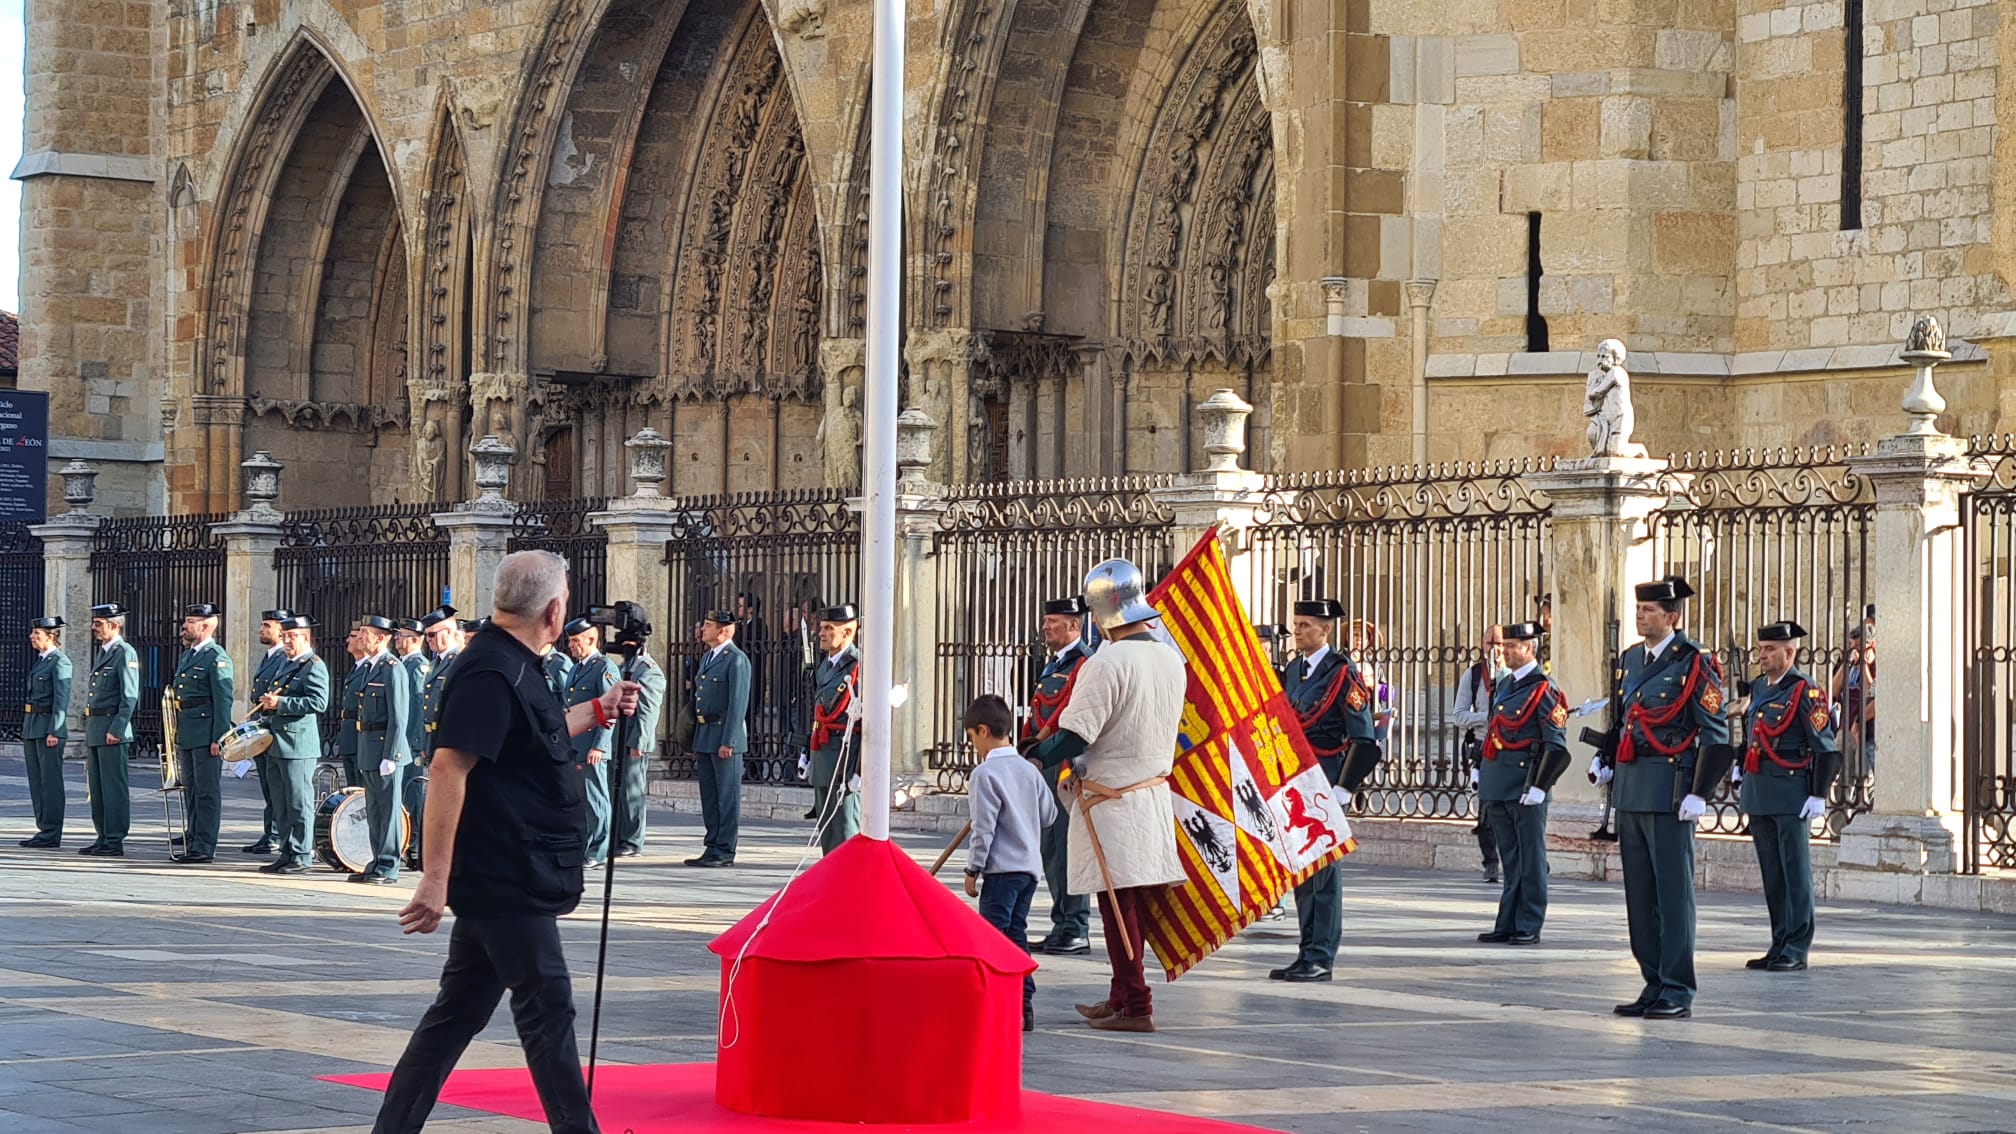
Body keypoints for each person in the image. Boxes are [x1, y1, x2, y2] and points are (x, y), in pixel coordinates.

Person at [372, 550, 639, 1134]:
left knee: (457, 1013)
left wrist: (597, 709)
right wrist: (435, 876)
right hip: (504, 872)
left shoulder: (518, 661)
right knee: (548, 1007)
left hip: (514, 866)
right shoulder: (490, 669)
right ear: (554, 610)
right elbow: (448, 769)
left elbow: (531, 735)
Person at [1029, 559, 1188, 1033]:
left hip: (1113, 798)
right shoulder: (1168, 657)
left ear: (1098, 615)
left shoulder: (1108, 661)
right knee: (1129, 902)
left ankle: (1136, 1002)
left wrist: (1036, 754)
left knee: (1119, 906)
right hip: (1149, 794)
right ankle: (1121, 994)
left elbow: (1077, 735)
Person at [1589, 575, 1732, 1020]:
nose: (1640, 614)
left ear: (1672, 617)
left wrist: (1701, 794)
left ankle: (1677, 987)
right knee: (1640, 896)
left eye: (1649, 610)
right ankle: (1652, 981)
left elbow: (1718, 736)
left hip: (1671, 791)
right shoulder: (1631, 660)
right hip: (1631, 789)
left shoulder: (1693, 663)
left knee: (1672, 896)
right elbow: (1625, 719)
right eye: (1639, 608)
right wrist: (1607, 758)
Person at [1269, 598, 1375, 982]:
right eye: (1295, 624)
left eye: (1305, 625)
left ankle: (1321, 954)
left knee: (1324, 874)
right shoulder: (1295, 670)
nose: (1296, 631)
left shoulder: (1341, 674)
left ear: (1325, 630)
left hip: (1326, 781)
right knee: (1302, 871)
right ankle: (1306, 950)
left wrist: (1344, 787)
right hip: (1297, 780)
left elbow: (1364, 739)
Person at [1739, 621, 1840, 973]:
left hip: (1790, 791)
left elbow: (1826, 749)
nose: (1762, 655)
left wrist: (1818, 794)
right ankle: (1779, 941)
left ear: (1790, 653)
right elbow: (1752, 734)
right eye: (1761, 648)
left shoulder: (1805, 691)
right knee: (1772, 873)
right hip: (1759, 791)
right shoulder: (1758, 687)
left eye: (1769, 649)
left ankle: (1796, 947)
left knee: (1795, 872)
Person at [964, 693, 1056, 1034]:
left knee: (992, 937)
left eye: (973, 737)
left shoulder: (985, 774)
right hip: (1029, 869)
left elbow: (983, 829)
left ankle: (995, 1001)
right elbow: (1048, 815)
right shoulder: (1027, 771)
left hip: (1001, 870)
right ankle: (1024, 1002)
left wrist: (973, 868)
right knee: (1016, 933)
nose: (974, 744)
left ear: (983, 731)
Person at [1474, 621, 1570, 946]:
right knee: (1510, 856)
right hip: (1499, 782)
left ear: (1529, 648)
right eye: (1503, 646)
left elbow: (1556, 744)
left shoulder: (1544, 689)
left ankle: (1529, 922)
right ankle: (1508, 921)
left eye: (1511, 646)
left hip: (1525, 783)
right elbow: (1494, 732)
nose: (1503, 652)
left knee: (1530, 855)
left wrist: (1540, 786)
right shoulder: (1505, 686)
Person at [1023, 596, 1093, 956]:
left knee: (1067, 848)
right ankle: (1061, 922)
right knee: (1051, 847)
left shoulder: (1085, 664)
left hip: (1066, 766)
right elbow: (1039, 715)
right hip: (1045, 766)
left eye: (1053, 621)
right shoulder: (1055, 666)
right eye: (1046, 620)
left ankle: (1076, 926)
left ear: (1074, 626)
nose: (1046, 626)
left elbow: (1072, 720)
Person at [257, 615, 329, 875]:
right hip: (277, 742)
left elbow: (319, 702)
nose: (287, 640)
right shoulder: (285, 664)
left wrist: (282, 704)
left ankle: (301, 854)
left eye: (292, 636)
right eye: (285, 636)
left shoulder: (313, 665)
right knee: (281, 802)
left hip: (298, 744)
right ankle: (286, 851)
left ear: (306, 637)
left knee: (298, 802)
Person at [168, 603, 235, 864]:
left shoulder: (216, 658)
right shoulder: (188, 656)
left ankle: (205, 845)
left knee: (206, 791)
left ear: (205, 626)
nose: (184, 627)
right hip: (188, 730)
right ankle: (193, 835)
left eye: (189, 622)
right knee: (191, 789)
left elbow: (223, 701)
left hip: (206, 732)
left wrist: (219, 738)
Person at [351, 615, 415, 884]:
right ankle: (377, 859)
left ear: (381, 637)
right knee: (374, 809)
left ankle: (389, 865)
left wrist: (392, 755)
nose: (361, 636)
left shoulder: (392, 668)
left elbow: (399, 717)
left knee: (388, 810)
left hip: (385, 749)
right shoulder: (370, 667)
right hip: (368, 746)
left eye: (366, 632)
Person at [687, 609, 751, 867]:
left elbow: (738, 703)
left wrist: (730, 741)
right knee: (710, 796)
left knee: (727, 796)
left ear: (724, 631)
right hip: (706, 734)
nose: (704, 628)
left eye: (709, 624)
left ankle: (725, 850)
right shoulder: (708, 658)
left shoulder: (736, 659)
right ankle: (711, 845)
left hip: (725, 736)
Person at [80, 603, 139, 857]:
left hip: (112, 730)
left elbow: (129, 696)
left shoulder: (124, 652)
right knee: (98, 787)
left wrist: (117, 728)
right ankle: (102, 835)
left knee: (113, 787)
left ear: (114, 625)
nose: (94, 627)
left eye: (99, 623)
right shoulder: (105, 652)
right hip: (97, 729)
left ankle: (114, 838)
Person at [1451, 625, 1506, 883]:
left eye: (1498, 643)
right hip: (1484, 746)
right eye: (1488, 643)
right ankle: (1491, 863)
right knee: (1486, 810)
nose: (1493, 649)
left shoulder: (1516, 674)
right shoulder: (1473, 675)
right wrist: (1486, 718)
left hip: (1513, 746)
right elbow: (1459, 714)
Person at [561, 616, 617, 867]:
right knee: (581, 800)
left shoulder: (603, 667)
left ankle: (598, 850)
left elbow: (610, 709)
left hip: (592, 745)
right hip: (575, 745)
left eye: (575, 640)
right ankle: (585, 846)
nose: (571, 645)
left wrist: (600, 745)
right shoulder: (576, 668)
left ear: (591, 639)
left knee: (596, 800)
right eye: (570, 641)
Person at [808, 604, 862, 852]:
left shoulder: (857, 667)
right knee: (826, 830)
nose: (821, 633)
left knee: (844, 830)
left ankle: (851, 889)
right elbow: (819, 711)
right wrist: (805, 753)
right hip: (824, 754)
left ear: (848, 633)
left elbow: (866, 722)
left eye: (829, 628)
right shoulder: (825, 666)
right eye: (821, 628)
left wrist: (860, 769)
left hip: (844, 759)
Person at [242, 608, 294, 855]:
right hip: (263, 727)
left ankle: (275, 833)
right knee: (267, 783)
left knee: (277, 786)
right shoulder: (270, 656)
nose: (261, 630)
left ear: (281, 630)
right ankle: (271, 831)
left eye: (267, 626)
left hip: (275, 728)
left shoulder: (285, 657)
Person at [21, 616, 72, 848]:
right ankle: (43, 829)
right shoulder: (42, 660)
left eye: (37, 634)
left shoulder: (59, 662)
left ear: (51, 636)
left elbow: (61, 700)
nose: (32, 637)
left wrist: (55, 730)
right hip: (33, 727)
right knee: (37, 782)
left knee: (50, 783)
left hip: (48, 729)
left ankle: (51, 831)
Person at [616, 644, 666, 859]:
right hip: (619, 736)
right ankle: (619, 836)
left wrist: (640, 742)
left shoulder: (649, 670)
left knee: (631, 791)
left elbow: (648, 711)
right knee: (618, 789)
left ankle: (632, 840)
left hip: (633, 739)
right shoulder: (625, 666)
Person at [1830, 625, 1875, 777]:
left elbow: (1872, 692)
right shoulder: (1846, 659)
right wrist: (1846, 664)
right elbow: (1834, 691)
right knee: (1841, 775)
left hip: (1867, 730)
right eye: (1852, 646)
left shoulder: (1876, 663)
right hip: (1846, 726)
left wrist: (1864, 665)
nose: (1855, 651)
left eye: (1859, 647)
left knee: (1863, 777)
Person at [336, 624, 371, 787]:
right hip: (349, 735)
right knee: (352, 788)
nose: (348, 640)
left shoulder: (370, 668)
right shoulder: (357, 667)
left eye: (353, 636)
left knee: (362, 788)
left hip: (361, 736)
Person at [393, 617, 431, 758]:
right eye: (397, 634)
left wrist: (411, 739)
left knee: (410, 779)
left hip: (409, 740)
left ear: (415, 640)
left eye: (401, 635)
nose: (396, 638)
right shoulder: (403, 663)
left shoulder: (417, 666)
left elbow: (417, 705)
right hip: (400, 738)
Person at [735, 591, 769, 735]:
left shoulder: (758, 626)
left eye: (740, 606)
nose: (737, 609)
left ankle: (755, 751)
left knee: (749, 717)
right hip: (742, 678)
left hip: (752, 679)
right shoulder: (741, 626)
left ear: (750, 609)